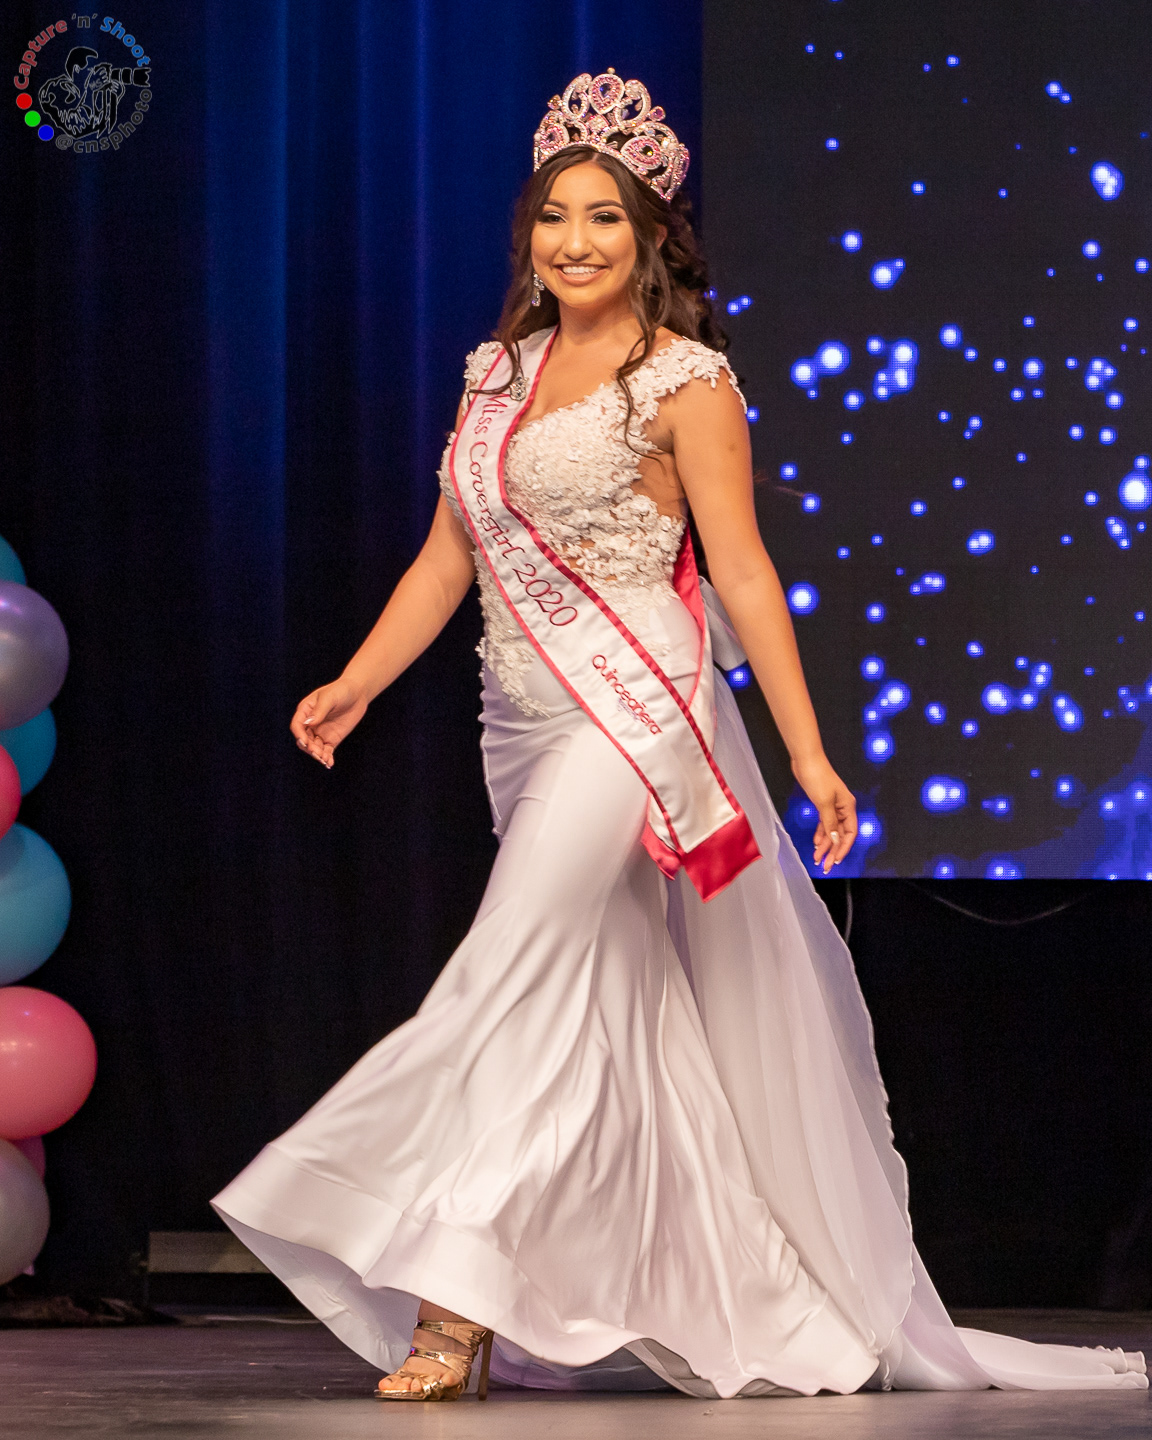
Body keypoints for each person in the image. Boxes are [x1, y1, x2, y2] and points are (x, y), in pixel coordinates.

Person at [212, 70, 1147, 1401]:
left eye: (604, 216)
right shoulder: (497, 374)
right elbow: (447, 557)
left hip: (635, 712)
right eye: (554, 216)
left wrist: (808, 753)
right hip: (518, 716)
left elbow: (744, 571)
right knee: (600, 1007)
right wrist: (359, 681)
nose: (575, 241)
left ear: (652, 233)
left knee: (507, 978)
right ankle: (747, 1298)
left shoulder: (686, 379)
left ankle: (451, 1307)